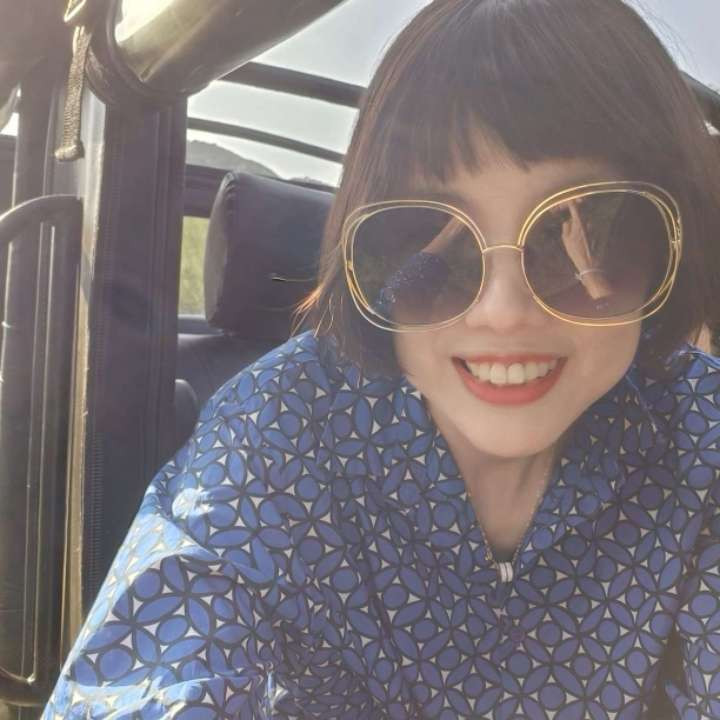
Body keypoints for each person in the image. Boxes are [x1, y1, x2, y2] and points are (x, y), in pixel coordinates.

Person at [43, 0, 720, 717]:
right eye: (427, 230)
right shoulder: (282, 428)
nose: (503, 311)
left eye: (577, 229)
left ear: (674, 242)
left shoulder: (700, 433)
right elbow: (156, 661)